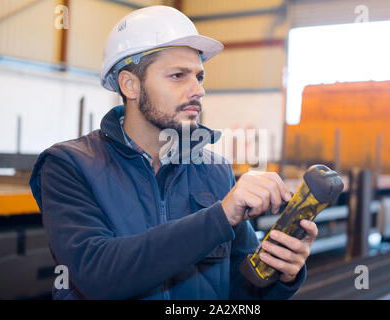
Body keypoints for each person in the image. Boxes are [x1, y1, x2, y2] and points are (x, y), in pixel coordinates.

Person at [29, 5, 318, 300]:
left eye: (199, 77)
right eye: (179, 75)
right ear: (130, 85)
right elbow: (96, 275)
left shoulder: (215, 171)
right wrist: (219, 217)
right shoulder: (69, 165)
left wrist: (280, 274)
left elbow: (239, 294)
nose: (198, 90)